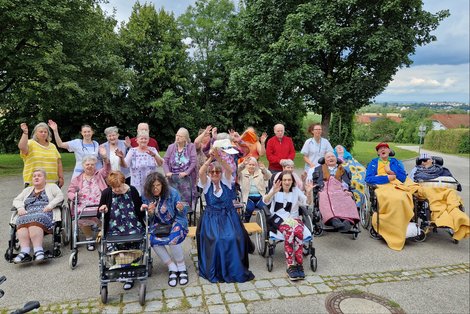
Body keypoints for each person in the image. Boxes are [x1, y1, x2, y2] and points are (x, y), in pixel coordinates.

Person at [197, 147, 255, 283]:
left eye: (217, 171)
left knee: (234, 237)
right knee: (216, 239)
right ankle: (217, 269)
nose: (215, 174)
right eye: (212, 172)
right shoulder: (206, 184)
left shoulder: (226, 182)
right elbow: (200, 172)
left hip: (228, 217)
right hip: (211, 219)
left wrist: (219, 158)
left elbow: (229, 169)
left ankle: (232, 269)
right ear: (209, 174)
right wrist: (210, 159)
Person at [365, 142, 419, 251]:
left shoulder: (395, 162)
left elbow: (403, 177)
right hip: (382, 185)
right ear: (378, 153)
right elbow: (368, 178)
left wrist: (390, 171)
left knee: (403, 197)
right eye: (380, 149)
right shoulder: (374, 163)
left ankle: (401, 226)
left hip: (396, 184)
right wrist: (386, 178)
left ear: (389, 151)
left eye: (385, 148)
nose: (382, 150)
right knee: (392, 199)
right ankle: (391, 229)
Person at [98, 171, 145, 290]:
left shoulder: (132, 190)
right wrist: (103, 209)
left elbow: (139, 209)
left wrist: (142, 207)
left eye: (119, 186)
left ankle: (126, 270)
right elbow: (99, 214)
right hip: (114, 228)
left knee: (136, 241)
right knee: (111, 244)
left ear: (123, 182)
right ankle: (125, 267)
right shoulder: (106, 193)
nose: (117, 189)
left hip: (133, 226)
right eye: (114, 187)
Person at [263, 171, 313, 280]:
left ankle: (299, 264)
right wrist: (272, 192)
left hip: (294, 219)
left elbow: (307, 202)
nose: (287, 182)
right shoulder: (276, 188)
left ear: (292, 181)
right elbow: (265, 201)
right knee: (290, 232)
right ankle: (290, 264)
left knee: (299, 231)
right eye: (284, 180)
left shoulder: (296, 190)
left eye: (289, 180)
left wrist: (309, 193)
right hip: (279, 219)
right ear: (281, 181)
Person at [142, 172, 189, 287]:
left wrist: (181, 208)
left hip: (175, 221)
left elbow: (183, 214)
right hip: (158, 224)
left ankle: (181, 267)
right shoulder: (146, 196)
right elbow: (146, 219)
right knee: (153, 240)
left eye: (158, 185)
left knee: (174, 238)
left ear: (162, 184)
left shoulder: (172, 193)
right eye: (152, 186)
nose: (155, 188)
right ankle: (171, 267)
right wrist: (150, 213)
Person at [410, 153, 469, 241]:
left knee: (451, 192)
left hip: (445, 191)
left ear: (431, 161)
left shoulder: (442, 170)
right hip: (428, 192)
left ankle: (456, 214)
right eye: (420, 161)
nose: (422, 162)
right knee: (433, 197)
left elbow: (454, 181)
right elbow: (410, 182)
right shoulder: (416, 170)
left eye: (425, 160)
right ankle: (445, 217)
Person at [12, 169, 64, 263]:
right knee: (20, 220)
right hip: (27, 212)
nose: (36, 177)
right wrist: (20, 208)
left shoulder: (52, 186)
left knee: (36, 219)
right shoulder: (27, 190)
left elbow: (60, 196)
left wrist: (50, 205)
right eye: (34, 176)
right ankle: (25, 251)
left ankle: (38, 250)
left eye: (39, 175)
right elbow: (16, 200)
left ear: (45, 179)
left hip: (45, 211)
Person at [67, 153, 110, 251]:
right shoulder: (77, 179)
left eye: (92, 164)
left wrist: (105, 158)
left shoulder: (99, 174)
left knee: (103, 212)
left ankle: (103, 233)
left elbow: (107, 169)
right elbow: (70, 191)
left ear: (95, 165)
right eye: (87, 164)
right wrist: (74, 196)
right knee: (81, 215)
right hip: (83, 204)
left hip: (99, 203)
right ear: (83, 166)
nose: (90, 166)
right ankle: (89, 239)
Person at [311, 152, 359, 232]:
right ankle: (333, 220)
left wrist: (346, 190)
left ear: (336, 159)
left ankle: (347, 220)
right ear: (325, 160)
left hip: (340, 189)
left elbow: (345, 182)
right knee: (324, 198)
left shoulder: (342, 169)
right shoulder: (319, 169)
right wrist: (319, 188)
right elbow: (317, 182)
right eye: (328, 157)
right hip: (325, 189)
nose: (331, 158)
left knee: (348, 198)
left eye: (333, 156)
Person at [117, 130, 164, 196]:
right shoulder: (132, 151)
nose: (143, 140)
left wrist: (155, 156)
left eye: (145, 139)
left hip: (151, 185)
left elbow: (160, 164)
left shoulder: (153, 150)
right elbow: (125, 165)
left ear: (148, 140)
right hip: (136, 186)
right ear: (137, 140)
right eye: (141, 138)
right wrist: (121, 158)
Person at [18, 122, 64, 187]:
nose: (43, 133)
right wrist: (25, 133)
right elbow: (22, 147)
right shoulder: (30, 143)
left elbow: (59, 162)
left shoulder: (52, 146)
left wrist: (61, 177)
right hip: (33, 183)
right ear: (35, 133)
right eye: (41, 132)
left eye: (45, 132)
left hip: (52, 183)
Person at [163, 128, 198, 208]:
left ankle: (186, 214)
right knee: (173, 199)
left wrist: (186, 172)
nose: (177, 138)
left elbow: (193, 162)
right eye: (177, 135)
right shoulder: (171, 147)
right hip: (173, 179)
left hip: (187, 180)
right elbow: (165, 162)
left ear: (185, 138)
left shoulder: (191, 147)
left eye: (180, 136)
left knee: (185, 203)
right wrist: (167, 172)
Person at [237, 157, 272, 222]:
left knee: (265, 209)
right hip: (248, 197)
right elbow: (235, 170)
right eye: (249, 164)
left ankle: (266, 225)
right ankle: (246, 223)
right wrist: (242, 164)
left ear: (256, 166)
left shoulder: (260, 172)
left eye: (253, 165)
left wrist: (264, 170)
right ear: (246, 165)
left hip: (260, 196)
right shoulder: (242, 173)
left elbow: (269, 176)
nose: (251, 166)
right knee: (249, 208)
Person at [333, 145, 367, 210]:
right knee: (353, 182)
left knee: (360, 182)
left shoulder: (350, 158)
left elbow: (358, 166)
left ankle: (360, 203)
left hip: (355, 174)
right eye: (337, 148)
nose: (340, 148)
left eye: (341, 147)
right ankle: (356, 202)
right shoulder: (334, 159)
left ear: (344, 149)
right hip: (345, 175)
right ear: (335, 151)